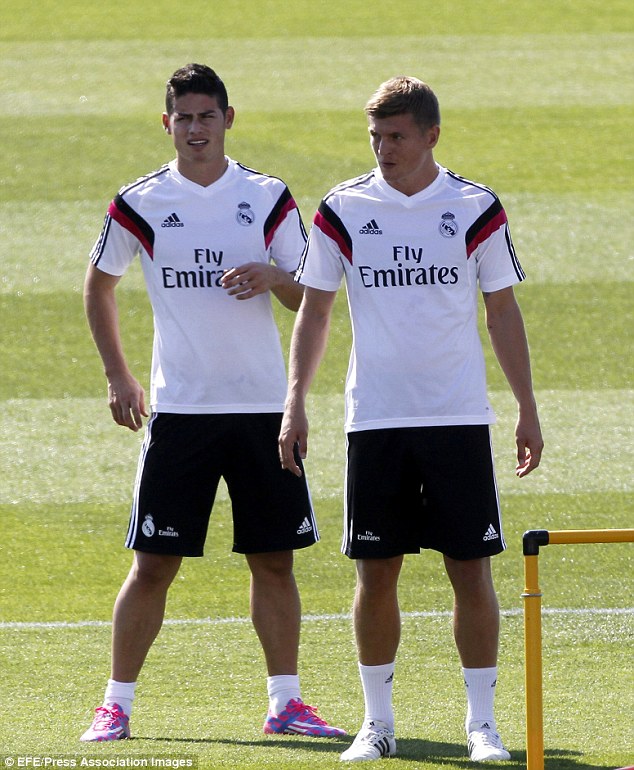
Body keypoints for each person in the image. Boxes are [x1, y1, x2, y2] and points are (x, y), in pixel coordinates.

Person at [278, 76, 543, 762]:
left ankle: (482, 725)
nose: (384, 149)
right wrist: (295, 399)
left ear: (431, 135)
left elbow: (503, 311)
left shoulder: (475, 206)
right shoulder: (343, 207)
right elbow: (315, 308)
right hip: (377, 420)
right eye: (375, 137)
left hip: (457, 418)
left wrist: (526, 407)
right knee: (376, 572)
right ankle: (379, 722)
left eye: (396, 136)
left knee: (471, 569)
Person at [80, 63, 344, 743]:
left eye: (207, 116)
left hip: (261, 409)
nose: (195, 130)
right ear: (167, 124)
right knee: (152, 563)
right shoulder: (138, 201)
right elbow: (99, 285)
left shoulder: (266, 196)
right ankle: (116, 705)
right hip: (180, 410)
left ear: (230, 118)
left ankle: (285, 703)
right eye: (183, 118)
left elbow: (309, 294)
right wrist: (119, 376)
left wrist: (272, 275)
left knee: (275, 559)